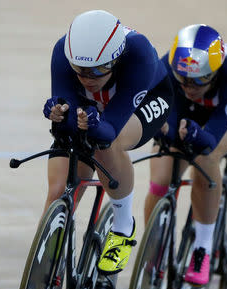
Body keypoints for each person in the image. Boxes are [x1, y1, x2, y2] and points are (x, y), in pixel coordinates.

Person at [42, 10, 173, 275]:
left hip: (145, 101)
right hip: (93, 107)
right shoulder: (62, 51)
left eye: (97, 70)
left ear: (116, 59)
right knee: (58, 190)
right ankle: (46, 266)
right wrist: (59, 115)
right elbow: (66, 123)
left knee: (106, 144)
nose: (87, 77)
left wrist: (91, 123)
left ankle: (123, 227)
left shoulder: (140, 54)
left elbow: (110, 129)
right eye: (79, 70)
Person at [144, 24, 227, 286]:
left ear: (215, 70)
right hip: (190, 112)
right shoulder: (168, 66)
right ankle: (153, 251)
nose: (189, 85)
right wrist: (172, 132)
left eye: (199, 79)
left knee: (205, 156)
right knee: (161, 177)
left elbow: (212, 136)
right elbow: (167, 113)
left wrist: (198, 138)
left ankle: (202, 248)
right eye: (183, 78)